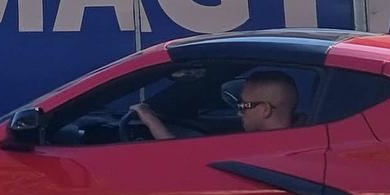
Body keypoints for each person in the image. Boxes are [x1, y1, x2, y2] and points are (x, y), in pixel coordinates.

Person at [127, 68, 299, 139]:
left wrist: (149, 118)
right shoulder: (296, 138)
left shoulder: (263, 149)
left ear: (265, 110)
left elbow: (180, 157)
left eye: (243, 106)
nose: (239, 113)